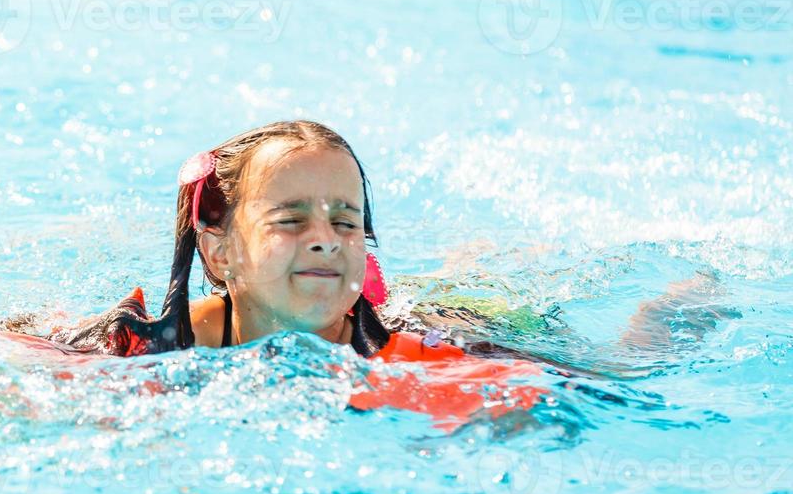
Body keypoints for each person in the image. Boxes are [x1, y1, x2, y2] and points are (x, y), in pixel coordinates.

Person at [49, 120, 551, 427]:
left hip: (425, 316)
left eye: (345, 223)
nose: (325, 239)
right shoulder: (142, 346)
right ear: (221, 254)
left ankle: (479, 262)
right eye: (290, 220)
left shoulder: (429, 353)